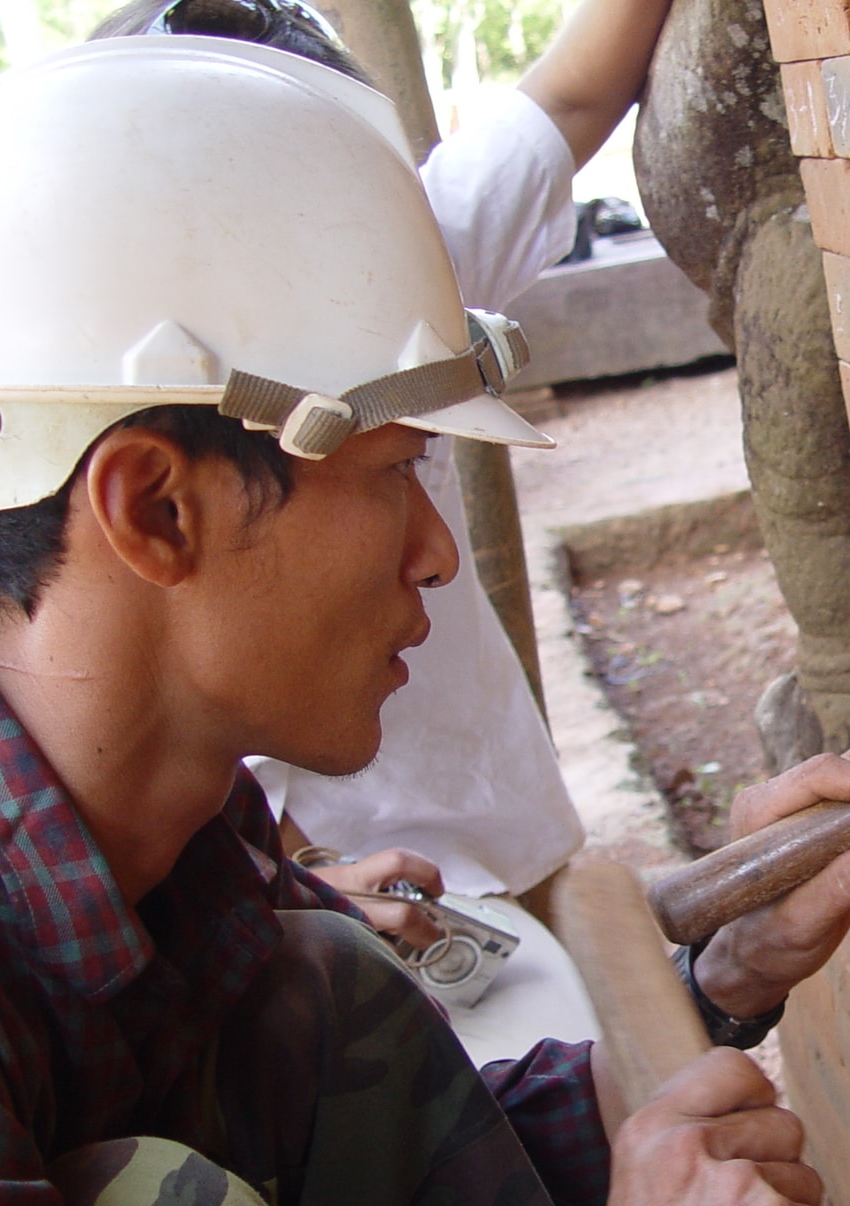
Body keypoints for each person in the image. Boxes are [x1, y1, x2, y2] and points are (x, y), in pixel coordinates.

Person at [0, 37, 850, 1206]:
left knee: (328, 988)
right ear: (155, 511)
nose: (432, 554)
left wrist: (710, 975)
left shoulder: (169, 832)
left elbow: (398, 1171)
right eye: (391, 475)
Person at [93, 0, 676, 927]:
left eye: (414, 460)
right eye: (383, 468)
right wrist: (277, 894)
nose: (435, 553)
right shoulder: (100, 388)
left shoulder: (412, 264)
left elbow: (566, 101)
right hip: (279, 914)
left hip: (493, 848)